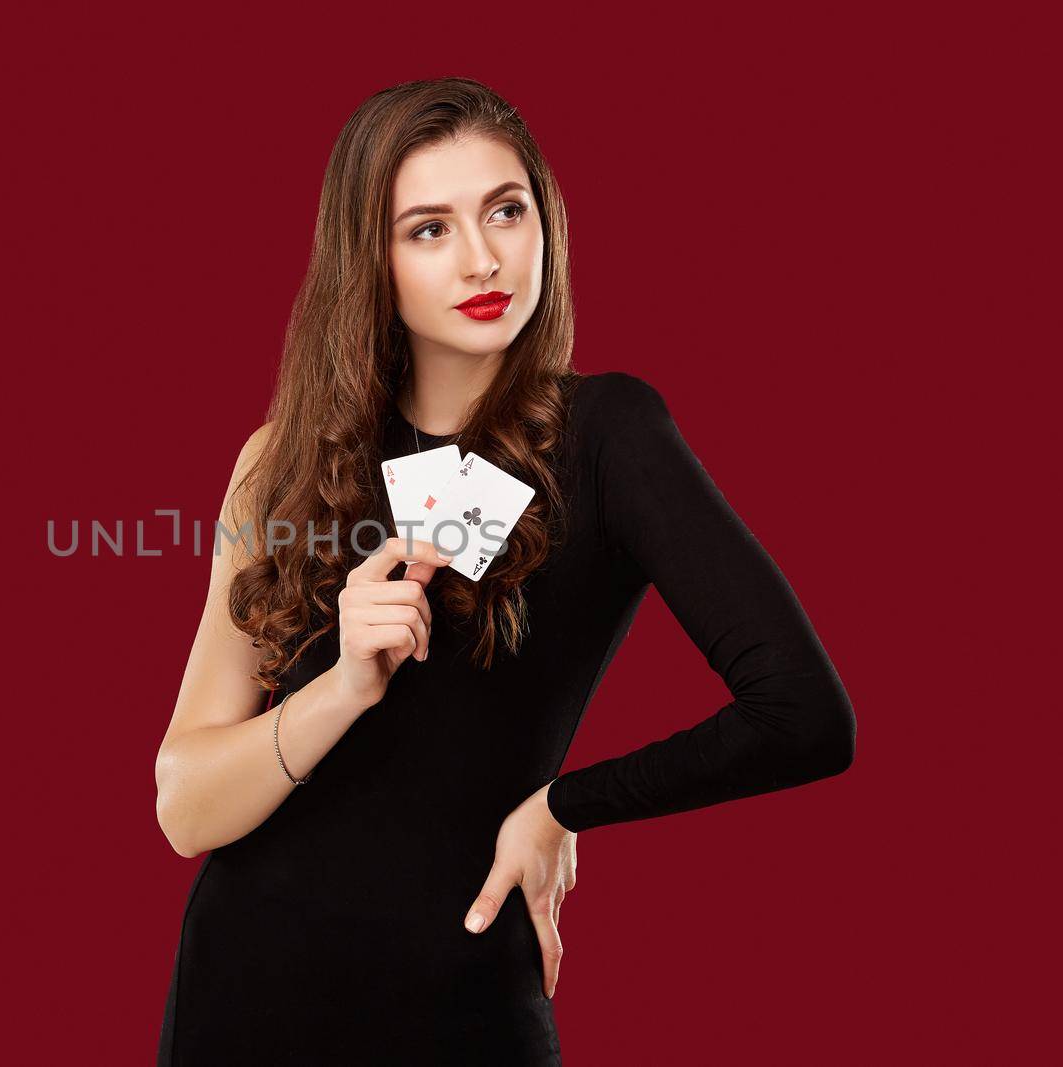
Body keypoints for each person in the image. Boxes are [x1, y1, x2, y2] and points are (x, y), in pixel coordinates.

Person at [152, 77, 855, 1066]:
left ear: (545, 223)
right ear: (370, 259)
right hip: (245, 998)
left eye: (504, 211)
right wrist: (344, 688)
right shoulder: (282, 461)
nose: (482, 258)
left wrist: (563, 803)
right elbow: (183, 804)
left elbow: (804, 714)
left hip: (461, 1005)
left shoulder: (607, 436)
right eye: (427, 229)